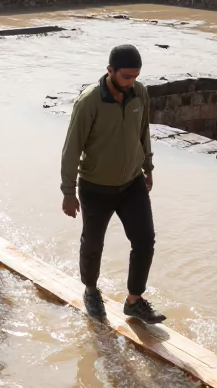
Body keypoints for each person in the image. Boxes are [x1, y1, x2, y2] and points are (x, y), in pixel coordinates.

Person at [60, 44, 166, 326]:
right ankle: (91, 291)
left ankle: (134, 301)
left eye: (136, 76)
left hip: (132, 182)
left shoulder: (140, 93)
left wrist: (148, 167)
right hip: (96, 186)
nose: (132, 82)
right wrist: (68, 192)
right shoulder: (89, 102)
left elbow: (143, 130)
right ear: (110, 72)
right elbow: (71, 149)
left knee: (145, 240)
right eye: (127, 77)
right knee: (93, 243)